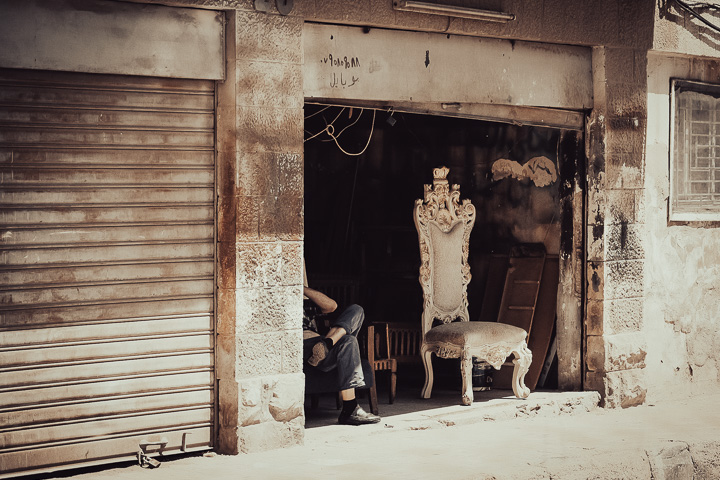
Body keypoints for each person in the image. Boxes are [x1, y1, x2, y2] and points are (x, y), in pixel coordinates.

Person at [303, 286, 381, 425]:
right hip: (303, 346)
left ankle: (328, 343)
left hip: (320, 345)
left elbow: (332, 306)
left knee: (356, 310)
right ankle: (350, 408)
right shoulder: (280, 302)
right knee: (349, 340)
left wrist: (301, 288)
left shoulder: (303, 303)